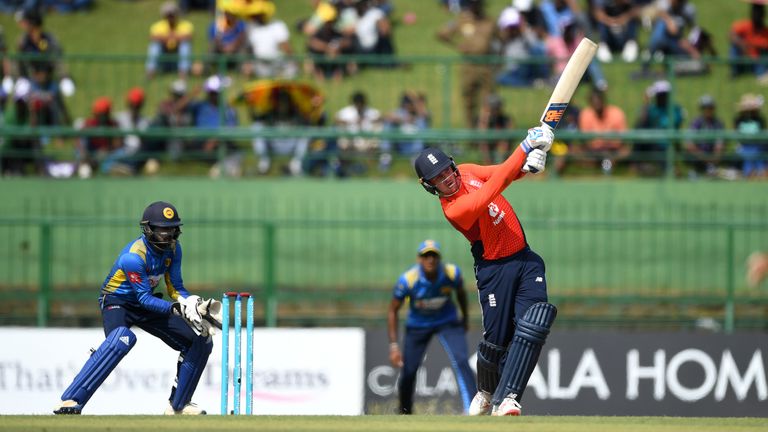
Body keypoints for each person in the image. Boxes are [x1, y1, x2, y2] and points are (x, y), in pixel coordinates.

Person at [413, 125, 556, 416]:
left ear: (452, 165)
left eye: (446, 171)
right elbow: (492, 189)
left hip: (525, 258)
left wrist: (527, 166)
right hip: (494, 267)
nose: (447, 180)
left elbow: (504, 171)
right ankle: (486, 392)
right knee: (497, 340)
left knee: (533, 326)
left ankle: (509, 398)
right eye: (438, 179)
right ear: (430, 186)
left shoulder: (465, 171)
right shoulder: (454, 209)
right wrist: (526, 147)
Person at [53, 201, 220, 415]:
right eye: (161, 229)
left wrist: (192, 304)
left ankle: (179, 405)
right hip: (117, 302)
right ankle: (70, 400)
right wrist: (177, 309)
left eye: (171, 229)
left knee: (201, 339)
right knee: (121, 339)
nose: (167, 235)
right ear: (148, 229)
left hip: (148, 301)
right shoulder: (133, 257)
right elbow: (142, 298)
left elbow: (175, 287)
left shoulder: (174, 250)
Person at [387, 240, 475, 415]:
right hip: (418, 326)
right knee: (409, 371)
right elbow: (392, 310)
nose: (430, 260)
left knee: (461, 360)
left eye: (434, 255)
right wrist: (394, 346)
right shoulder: (408, 280)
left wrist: (464, 318)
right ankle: (405, 413)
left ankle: (473, 409)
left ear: (439, 258)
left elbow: (462, 294)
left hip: (447, 322)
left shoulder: (451, 273)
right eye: (426, 256)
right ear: (419, 259)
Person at [436, 0, 496, 128]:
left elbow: (501, 38)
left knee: (489, 101)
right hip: (468, 65)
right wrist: (458, 45)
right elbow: (442, 34)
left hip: (486, 64)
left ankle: (487, 132)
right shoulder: (463, 20)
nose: (475, 6)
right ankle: (471, 133)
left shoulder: (489, 21)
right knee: (468, 100)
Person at [577, 88, 630, 175]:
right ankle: (600, 165)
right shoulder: (585, 114)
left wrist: (607, 142)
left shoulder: (616, 113)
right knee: (575, 151)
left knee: (626, 152)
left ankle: (606, 165)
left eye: (599, 100)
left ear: (603, 100)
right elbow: (586, 140)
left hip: (613, 150)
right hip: (594, 152)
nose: (597, 103)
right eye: (594, 101)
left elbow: (623, 138)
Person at [146, 2, 194, 79]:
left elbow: (188, 37)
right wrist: (174, 37)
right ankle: (150, 72)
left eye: (172, 15)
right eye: (168, 15)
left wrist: (166, 37)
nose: (170, 17)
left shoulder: (185, 25)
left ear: (177, 14)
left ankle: (183, 74)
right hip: (164, 54)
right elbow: (152, 37)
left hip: (177, 54)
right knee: (155, 46)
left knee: (185, 45)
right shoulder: (157, 26)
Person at [682, 94, 724, 179]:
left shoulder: (718, 123)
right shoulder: (696, 122)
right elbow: (689, 143)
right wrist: (703, 156)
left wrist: (714, 157)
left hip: (712, 155)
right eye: (705, 108)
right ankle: (696, 171)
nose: (708, 110)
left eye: (710, 107)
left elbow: (720, 144)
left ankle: (711, 169)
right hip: (698, 155)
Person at [729, 3, 768, 78]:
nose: (757, 16)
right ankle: (734, 73)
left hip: (757, 62)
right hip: (743, 59)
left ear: (763, 15)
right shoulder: (745, 25)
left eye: (759, 13)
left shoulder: (765, 32)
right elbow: (731, 34)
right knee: (734, 48)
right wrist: (742, 44)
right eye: (755, 13)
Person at [734, 93, 767, 178]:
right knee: (748, 154)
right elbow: (738, 136)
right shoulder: (738, 120)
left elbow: (762, 136)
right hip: (744, 146)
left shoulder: (760, 119)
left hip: (758, 146)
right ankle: (750, 173)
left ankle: (761, 172)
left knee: (757, 153)